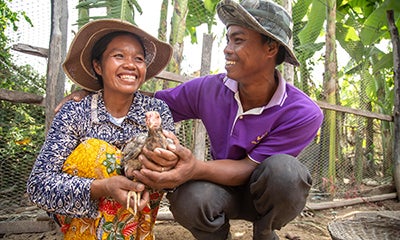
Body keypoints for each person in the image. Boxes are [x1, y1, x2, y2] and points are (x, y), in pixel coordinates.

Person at [58, 0, 324, 239]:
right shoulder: (209, 89)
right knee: (189, 198)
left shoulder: (302, 112)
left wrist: (193, 168)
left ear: (271, 47)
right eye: (228, 40)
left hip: (264, 192)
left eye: (238, 40)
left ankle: (265, 233)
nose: (227, 50)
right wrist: (100, 91)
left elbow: (249, 167)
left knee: (286, 173)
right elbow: (150, 104)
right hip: (221, 190)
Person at [26, 19, 175, 239]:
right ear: (98, 66)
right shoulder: (76, 112)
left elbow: (172, 173)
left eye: (139, 59)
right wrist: (102, 187)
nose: (131, 64)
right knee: (98, 154)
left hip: (138, 218)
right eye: (119, 56)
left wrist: (160, 170)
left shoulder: (156, 110)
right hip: (83, 222)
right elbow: (38, 187)